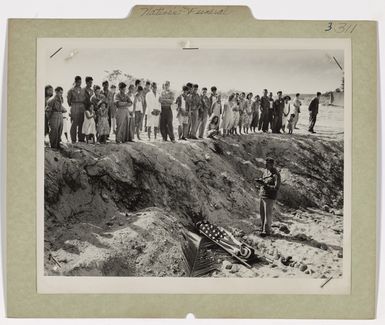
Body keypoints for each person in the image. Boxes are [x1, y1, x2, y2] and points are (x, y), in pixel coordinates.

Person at [256, 157, 281, 237]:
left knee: (268, 214)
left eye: (267, 164)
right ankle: (263, 228)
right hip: (263, 195)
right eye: (265, 164)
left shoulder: (276, 174)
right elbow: (264, 180)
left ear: (272, 165)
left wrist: (265, 185)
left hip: (269, 196)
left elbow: (276, 188)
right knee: (262, 213)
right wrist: (260, 181)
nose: (265, 165)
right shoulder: (266, 171)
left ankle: (267, 231)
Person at [67, 76, 87, 143]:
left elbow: (85, 99)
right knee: (74, 124)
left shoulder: (83, 90)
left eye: (80, 82)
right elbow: (69, 101)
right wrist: (73, 106)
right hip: (74, 106)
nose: (79, 83)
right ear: (75, 82)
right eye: (78, 82)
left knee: (81, 123)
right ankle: (73, 139)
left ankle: (81, 139)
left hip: (81, 107)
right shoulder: (71, 90)